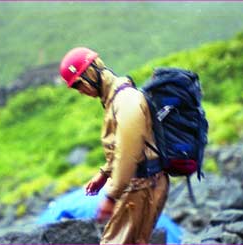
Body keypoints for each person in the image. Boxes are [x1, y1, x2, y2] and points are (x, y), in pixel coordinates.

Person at [59, 47, 169, 244]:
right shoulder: (114, 99)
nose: (81, 91)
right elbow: (122, 145)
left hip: (141, 185)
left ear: (91, 72)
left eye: (79, 84)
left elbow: (129, 152)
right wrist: (105, 173)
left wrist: (111, 197)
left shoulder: (125, 100)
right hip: (142, 183)